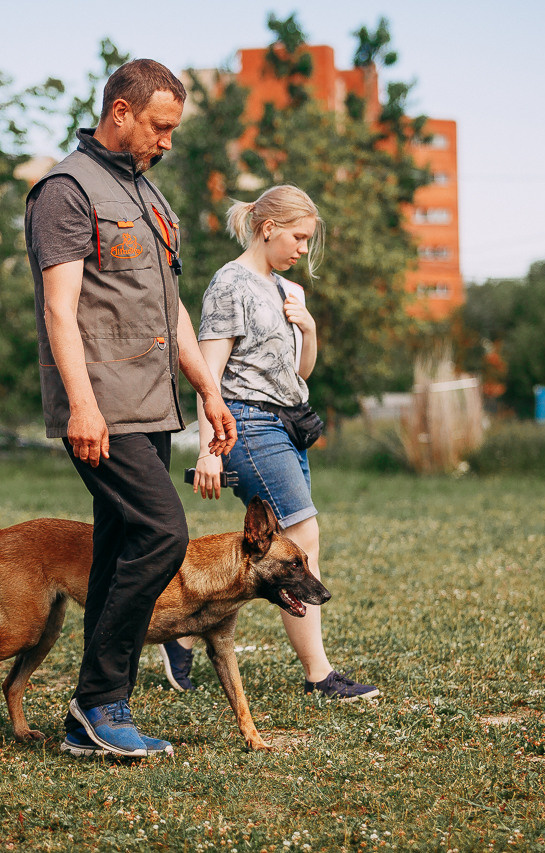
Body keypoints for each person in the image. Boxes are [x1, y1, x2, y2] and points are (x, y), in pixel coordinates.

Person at [25, 58, 237, 759]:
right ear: (120, 112)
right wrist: (82, 406)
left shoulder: (148, 195)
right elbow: (60, 310)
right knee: (162, 534)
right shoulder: (66, 190)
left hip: (154, 405)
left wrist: (207, 388)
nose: (168, 141)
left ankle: (90, 720)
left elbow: (168, 305)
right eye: (160, 125)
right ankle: (99, 701)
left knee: (120, 546)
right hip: (103, 406)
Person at [159, 185, 379, 702]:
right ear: (268, 227)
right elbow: (207, 375)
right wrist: (209, 449)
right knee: (303, 540)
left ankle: (183, 634)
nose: (303, 249)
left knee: (281, 545)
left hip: (290, 423)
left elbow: (299, 373)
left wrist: (311, 328)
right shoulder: (230, 284)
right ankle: (320, 677)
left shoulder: (288, 291)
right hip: (248, 425)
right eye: (298, 237)